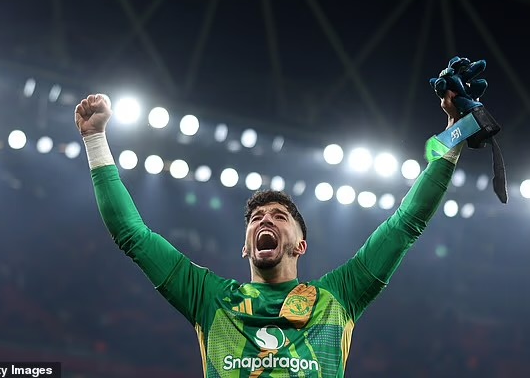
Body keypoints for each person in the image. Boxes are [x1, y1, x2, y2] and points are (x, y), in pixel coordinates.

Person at [75, 89, 463, 377]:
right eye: (256, 218)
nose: (265, 220)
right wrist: (95, 139)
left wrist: (455, 133)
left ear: (300, 245)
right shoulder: (209, 298)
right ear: (245, 247)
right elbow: (131, 234)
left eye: (279, 216)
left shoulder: (337, 298)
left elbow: (405, 223)